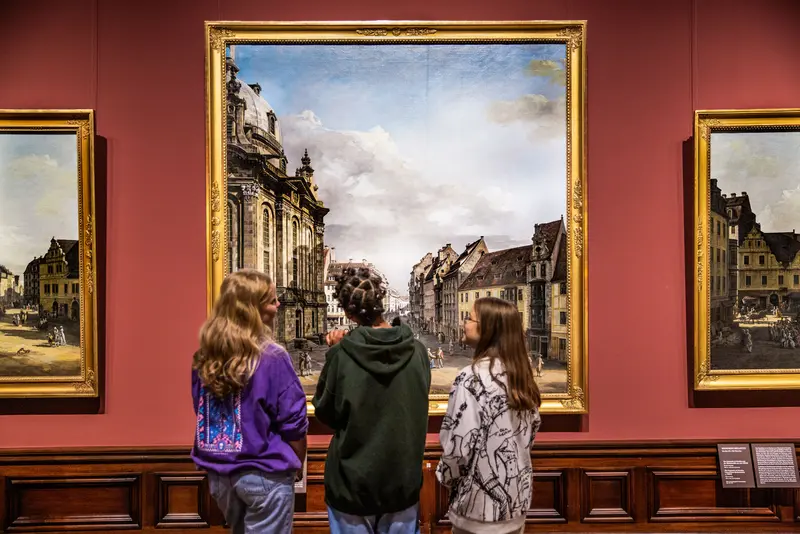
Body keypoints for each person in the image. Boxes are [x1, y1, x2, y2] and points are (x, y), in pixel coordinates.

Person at [313, 266, 431, 534]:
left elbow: (326, 413)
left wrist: (334, 354)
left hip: (351, 486)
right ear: (381, 301)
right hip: (401, 484)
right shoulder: (418, 352)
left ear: (347, 312)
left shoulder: (342, 355)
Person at [191, 269, 308, 533]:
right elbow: (294, 421)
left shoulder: (204, 357)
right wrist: (297, 461)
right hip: (265, 474)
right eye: (272, 300)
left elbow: (199, 408)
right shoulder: (272, 357)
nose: (278, 306)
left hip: (221, 474)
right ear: (252, 309)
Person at [436, 297, 542, 534]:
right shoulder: (521, 376)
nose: (464, 323)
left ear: (488, 329)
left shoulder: (471, 377)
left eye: (469, 318)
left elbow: (458, 448)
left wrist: (445, 477)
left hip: (478, 511)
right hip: (516, 505)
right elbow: (529, 436)